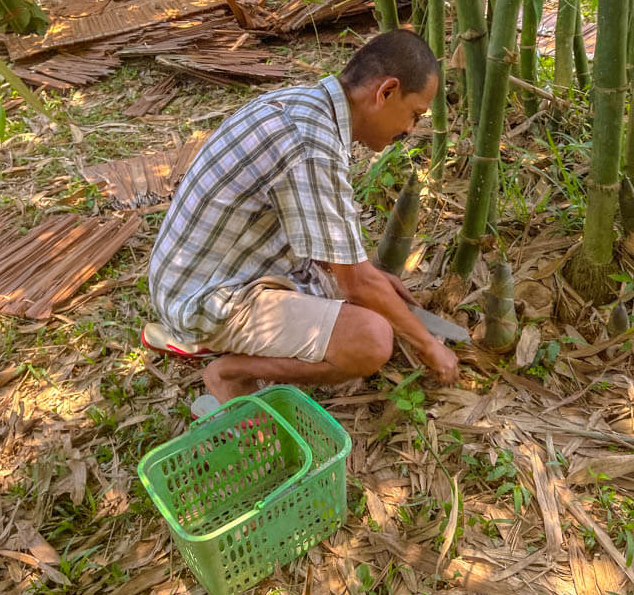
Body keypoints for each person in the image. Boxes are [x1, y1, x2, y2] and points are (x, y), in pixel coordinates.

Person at [145, 30, 460, 403]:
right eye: (414, 114)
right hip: (204, 296)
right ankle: (230, 372)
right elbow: (355, 283)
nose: (410, 130)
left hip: (204, 274)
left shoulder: (305, 104)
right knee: (371, 341)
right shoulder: (311, 145)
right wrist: (428, 345)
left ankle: (218, 342)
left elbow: (341, 263)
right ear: (386, 92)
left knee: (370, 297)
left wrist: (374, 280)